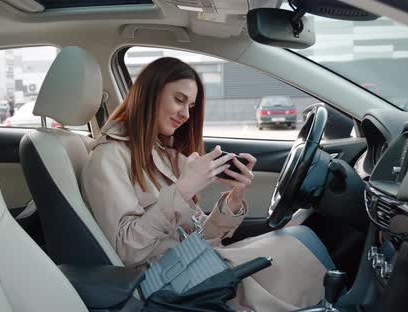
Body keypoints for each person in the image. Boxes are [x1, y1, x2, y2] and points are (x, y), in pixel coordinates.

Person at [81, 57, 331, 311]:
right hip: (166, 282)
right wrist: (183, 190)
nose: (185, 115)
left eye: (190, 106)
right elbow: (126, 250)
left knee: (299, 238)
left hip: (191, 263)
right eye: (179, 100)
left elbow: (201, 236)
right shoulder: (108, 156)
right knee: (298, 248)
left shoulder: (161, 154)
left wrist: (233, 199)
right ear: (149, 94)